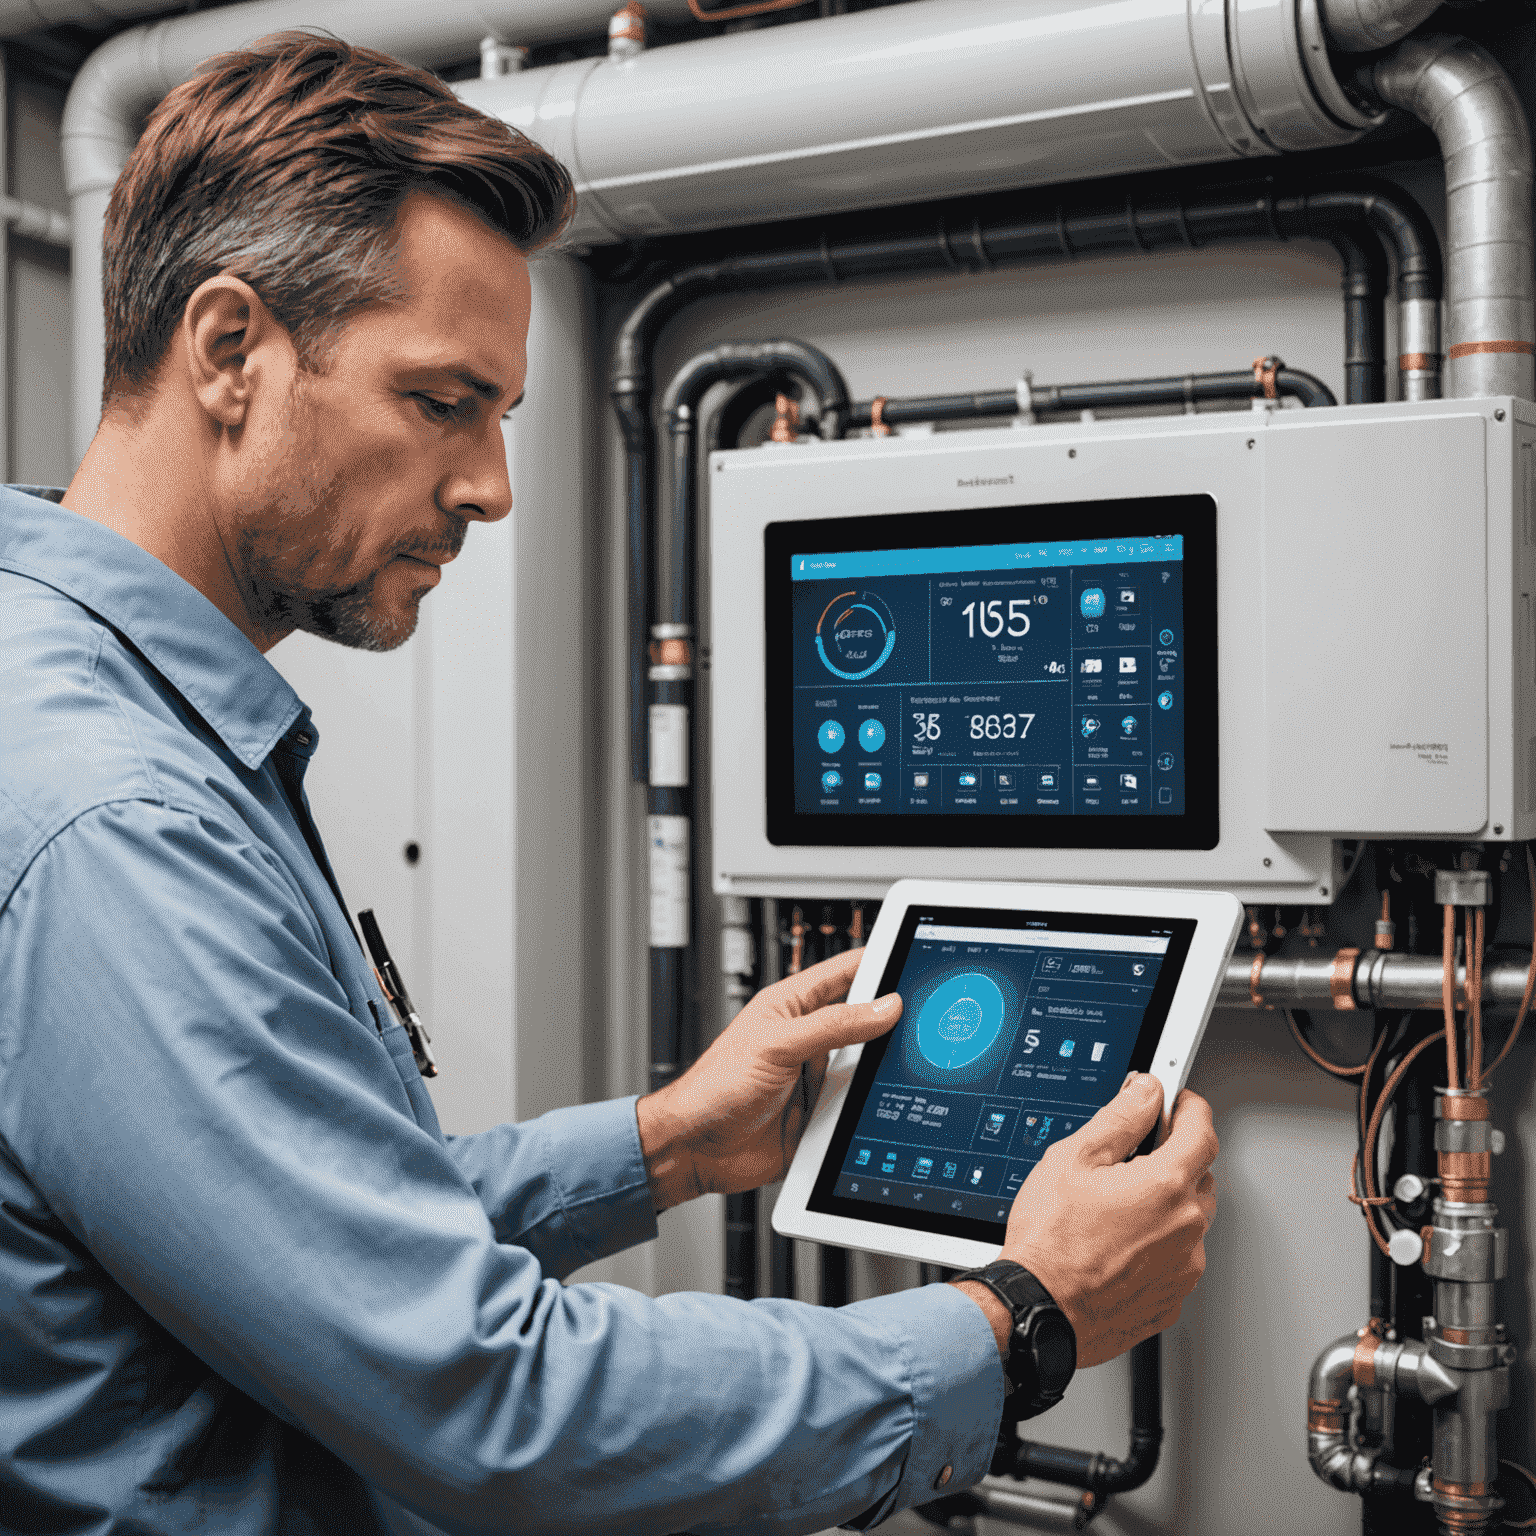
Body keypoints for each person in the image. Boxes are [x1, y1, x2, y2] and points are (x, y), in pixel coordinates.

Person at [0, 31, 1218, 1536]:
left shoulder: (76, 698)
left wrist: (667, 1143)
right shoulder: (118, 820)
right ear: (232, 350)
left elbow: (318, 1237)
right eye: (446, 402)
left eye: (502, 417)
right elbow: (484, 1396)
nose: (491, 487)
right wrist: (1019, 1319)